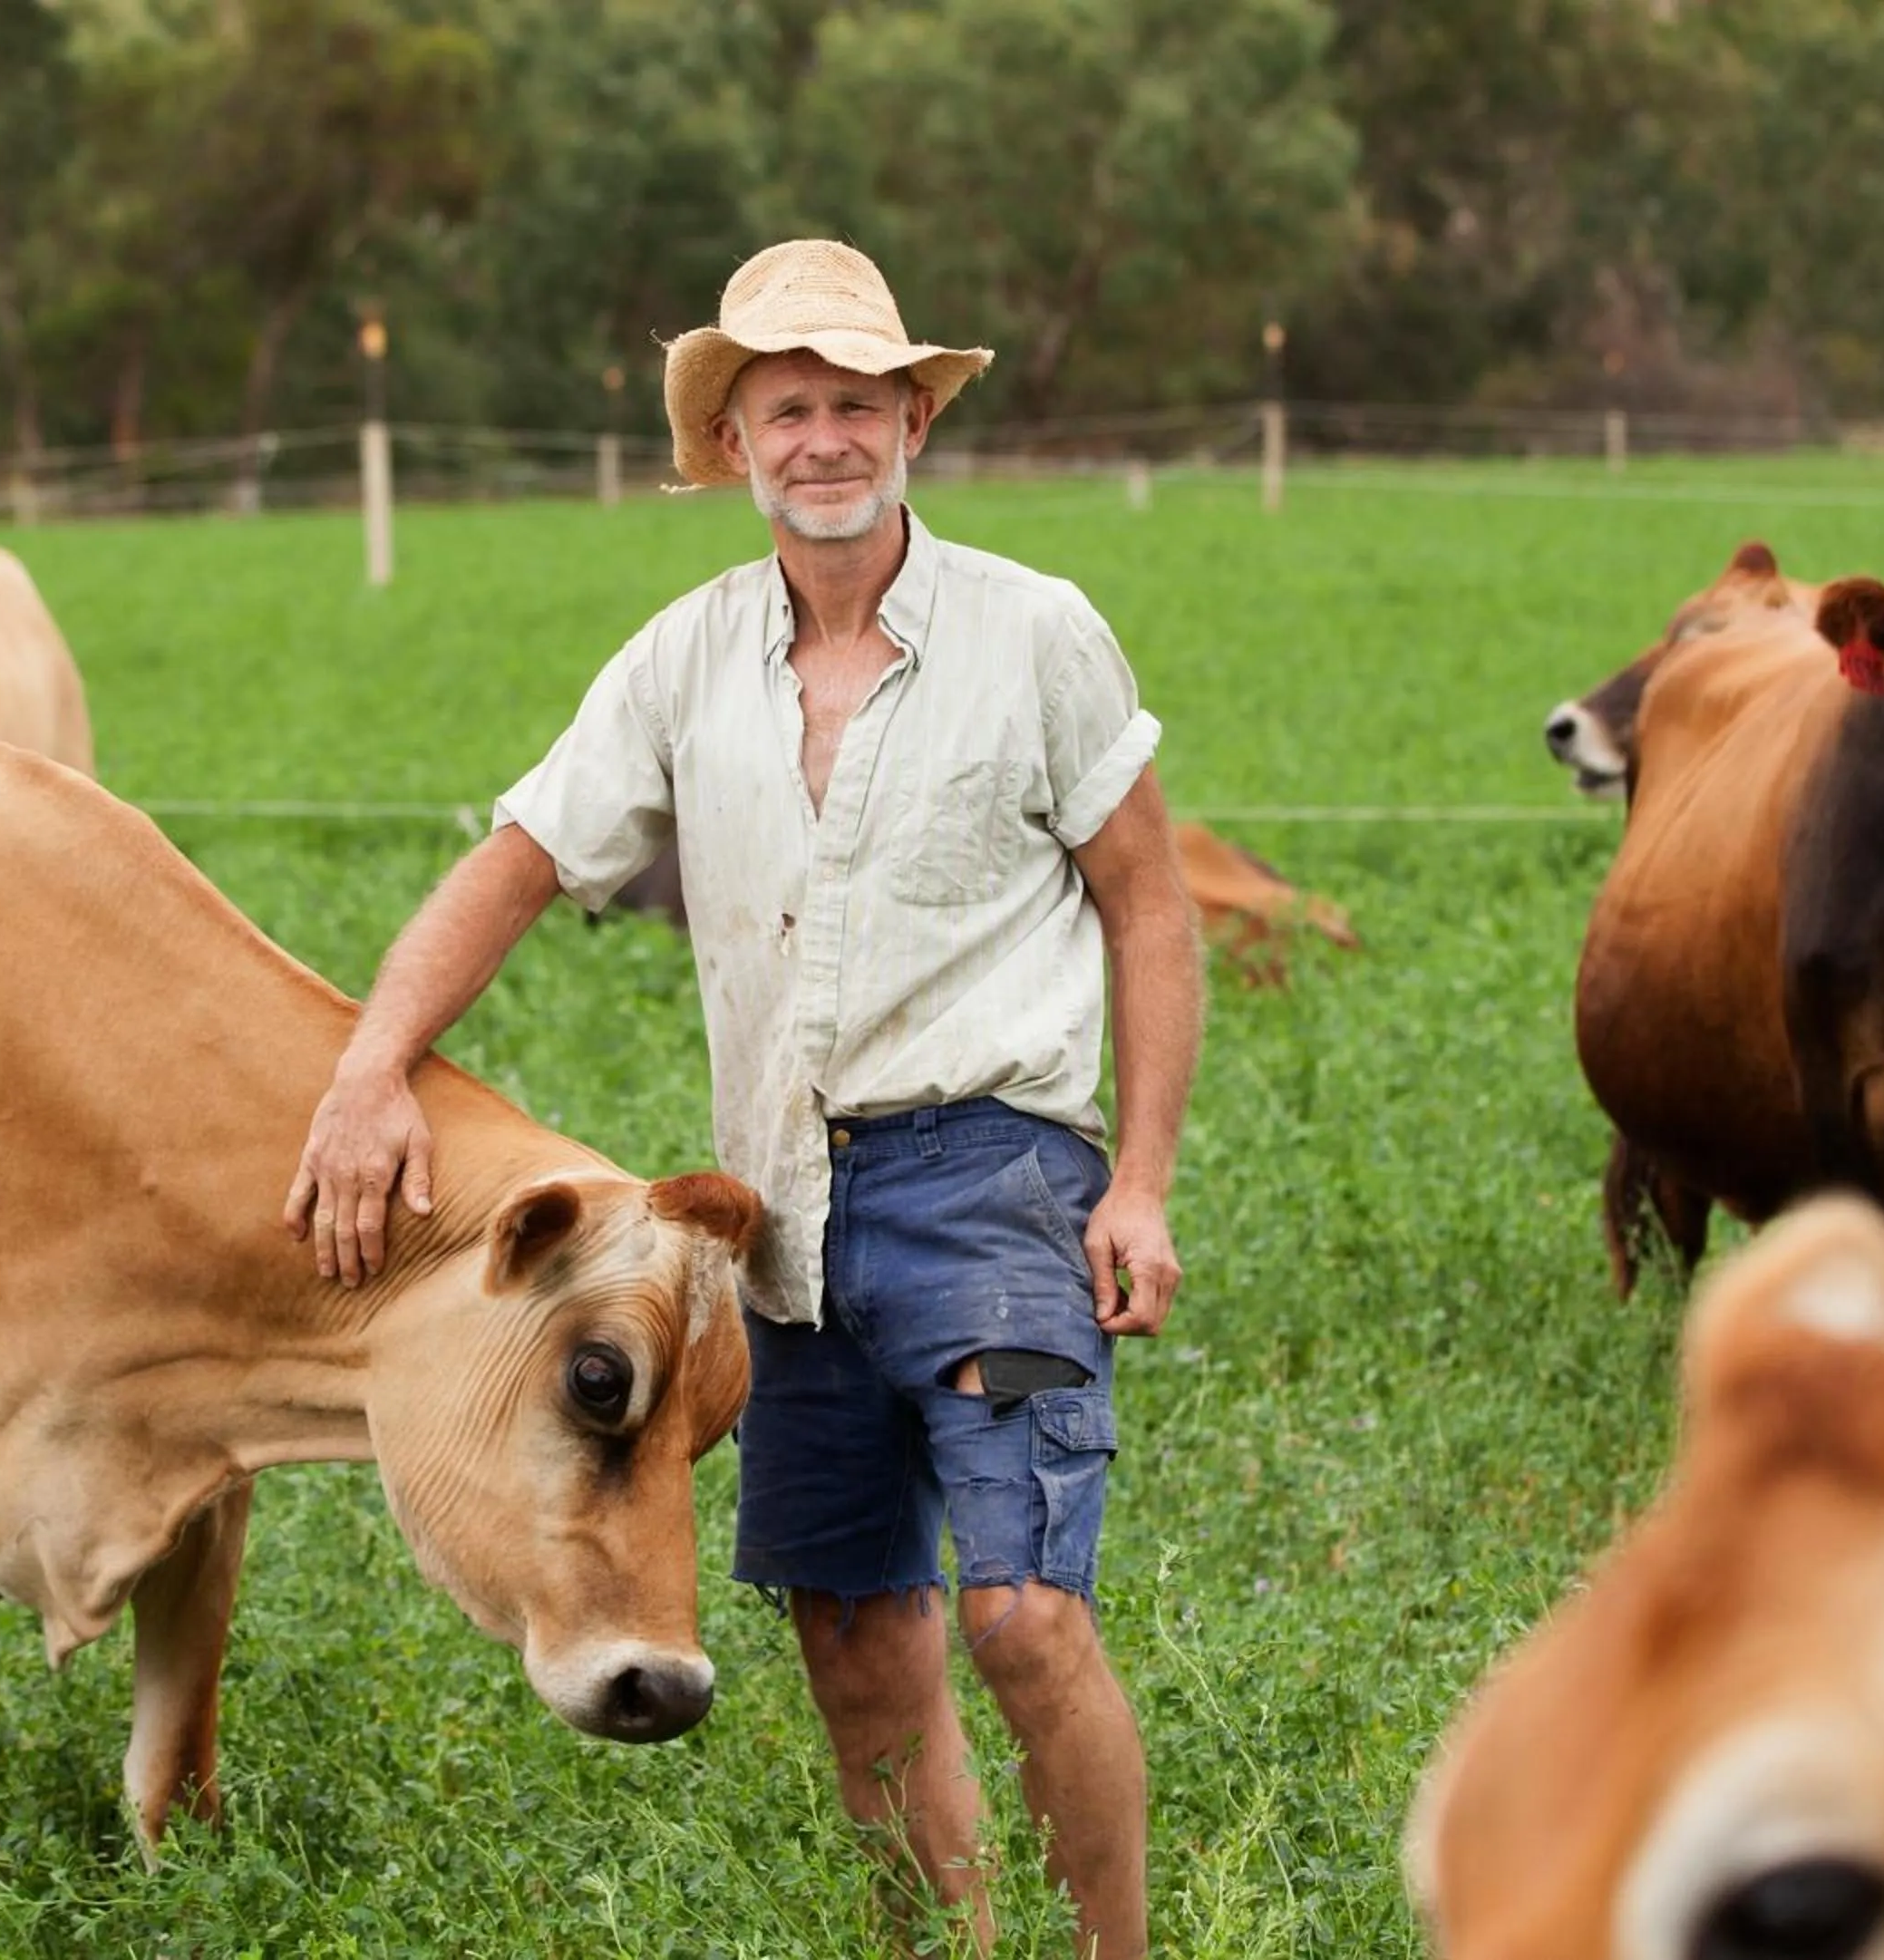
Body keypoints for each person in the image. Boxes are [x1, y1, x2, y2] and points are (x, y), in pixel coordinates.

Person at [284, 238, 1201, 1957]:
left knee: (1018, 1614)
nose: (825, 439)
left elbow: (1148, 901)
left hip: (995, 1173)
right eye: (789, 409)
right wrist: (367, 1064)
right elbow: (521, 859)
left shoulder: (1036, 635)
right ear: (738, 444)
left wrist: (1137, 1178)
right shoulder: (681, 661)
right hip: (778, 1218)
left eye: (859, 402)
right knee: (855, 1638)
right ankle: (941, 1942)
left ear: (915, 417)